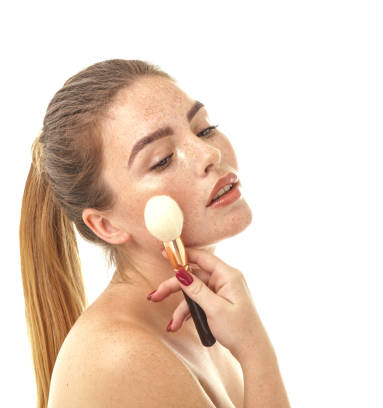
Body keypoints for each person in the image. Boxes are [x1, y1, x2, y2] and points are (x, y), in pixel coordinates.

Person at [19, 59, 290, 407]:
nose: (209, 153)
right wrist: (256, 351)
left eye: (204, 129)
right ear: (106, 225)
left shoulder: (209, 320)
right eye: (162, 159)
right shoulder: (120, 356)